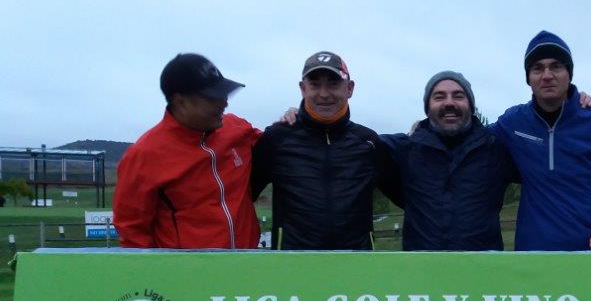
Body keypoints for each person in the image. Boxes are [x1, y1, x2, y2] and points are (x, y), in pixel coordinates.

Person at [492, 31, 591, 251]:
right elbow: (469, 135)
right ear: (528, 78)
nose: (547, 75)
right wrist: (424, 126)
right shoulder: (513, 123)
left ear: (569, 74)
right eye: (537, 68)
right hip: (534, 263)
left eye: (556, 66)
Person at [251, 52, 400, 250]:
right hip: (291, 268)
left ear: (350, 88)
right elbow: (240, 197)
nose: (324, 93)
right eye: (314, 84)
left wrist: (423, 127)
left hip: (356, 267)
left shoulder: (369, 143)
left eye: (333, 83)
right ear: (303, 89)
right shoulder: (277, 139)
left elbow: (409, 197)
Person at [114, 53, 261, 249]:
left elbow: (280, 145)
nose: (224, 102)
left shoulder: (238, 129)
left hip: (247, 267)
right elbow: (132, 232)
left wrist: (293, 117)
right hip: (186, 275)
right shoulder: (143, 155)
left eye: (224, 93)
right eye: (212, 97)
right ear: (180, 101)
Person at [380, 72, 517, 250]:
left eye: (458, 96)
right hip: (421, 272)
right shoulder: (403, 150)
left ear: (471, 105)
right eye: (439, 97)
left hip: (484, 272)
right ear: (427, 108)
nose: (449, 103)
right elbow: (356, 146)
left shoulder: (497, 149)